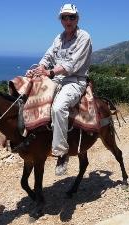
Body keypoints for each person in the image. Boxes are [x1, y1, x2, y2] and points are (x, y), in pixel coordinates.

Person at [27, 3, 92, 176]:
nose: (68, 20)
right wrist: (38, 69)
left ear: (77, 19)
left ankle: (62, 152)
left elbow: (72, 64)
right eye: (65, 17)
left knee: (58, 107)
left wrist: (48, 72)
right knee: (28, 93)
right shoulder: (60, 37)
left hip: (75, 80)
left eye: (72, 17)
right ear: (61, 20)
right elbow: (49, 56)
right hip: (56, 79)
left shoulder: (84, 37)